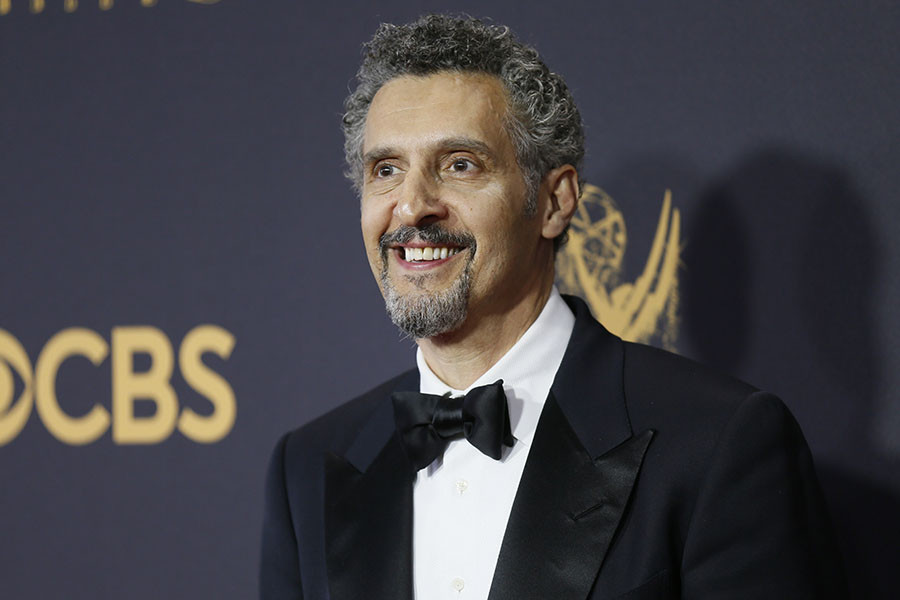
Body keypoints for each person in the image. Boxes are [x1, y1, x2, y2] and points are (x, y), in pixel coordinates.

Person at [260, 14, 845, 600]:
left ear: (554, 202)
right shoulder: (307, 468)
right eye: (386, 170)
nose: (412, 207)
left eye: (459, 164)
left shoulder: (718, 442)